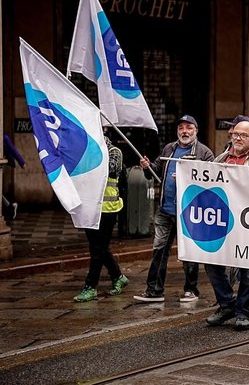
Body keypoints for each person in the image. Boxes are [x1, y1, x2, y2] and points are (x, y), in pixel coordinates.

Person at [134, 115, 215, 303]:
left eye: (188, 127)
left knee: (189, 252)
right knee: (159, 250)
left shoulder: (204, 153)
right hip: (165, 209)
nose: (184, 131)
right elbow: (156, 170)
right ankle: (154, 290)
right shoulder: (169, 148)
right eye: (181, 128)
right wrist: (147, 167)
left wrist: (188, 179)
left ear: (196, 130)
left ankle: (191, 290)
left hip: (189, 211)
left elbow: (211, 181)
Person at [204, 120, 249, 331]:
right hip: (223, 221)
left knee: (247, 270)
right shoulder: (221, 159)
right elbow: (207, 184)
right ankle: (226, 304)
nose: (238, 138)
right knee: (211, 261)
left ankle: (243, 311)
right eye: (235, 134)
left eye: (243, 135)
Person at [73, 133, 129, 302]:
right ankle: (118, 276)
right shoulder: (86, 153)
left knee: (98, 249)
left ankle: (90, 287)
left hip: (108, 209)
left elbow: (110, 169)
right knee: (98, 248)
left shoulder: (114, 152)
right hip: (89, 207)